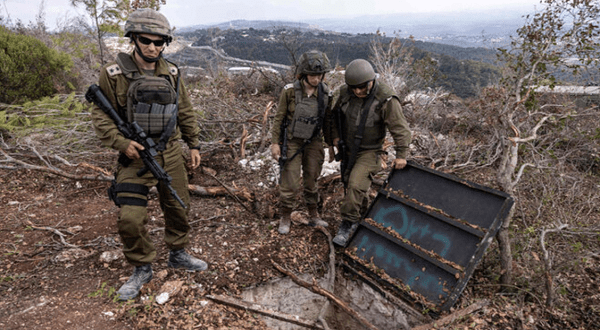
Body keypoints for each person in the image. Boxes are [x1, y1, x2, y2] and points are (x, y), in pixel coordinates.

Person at [91, 8, 207, 301]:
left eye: (159, 42)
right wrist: (121, 143)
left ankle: (178, 253)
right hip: (134, 157)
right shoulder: (113, 74)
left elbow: (184, 110)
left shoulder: (172, 72)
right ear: (133, 38)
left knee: (179, 207)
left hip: (169, 152)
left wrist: (193, 144)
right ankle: (141, 266)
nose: (153, 47)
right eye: (146, 40)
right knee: (130, 218)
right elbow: (101, 116)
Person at [329, 59, 411, 246]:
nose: (358, 92)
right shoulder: (344, 93)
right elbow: (332, 117)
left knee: (355, 185)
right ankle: (365, 217)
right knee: (351, 184)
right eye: (354, 88)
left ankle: (347, 224)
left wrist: (401, 154)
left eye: (362, 87)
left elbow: (401, 129)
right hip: (347, 148)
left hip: (370, 151)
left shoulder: (385, 98)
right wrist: (334, 139)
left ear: (371, 81)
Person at [270, 50, 333, 234]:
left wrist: (331, 146)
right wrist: (275, 143)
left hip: (314, 141)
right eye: (313, 75)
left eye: (320, 75)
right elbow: (279, 118)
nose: (316, 78)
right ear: (304, 73)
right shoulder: (290, 91)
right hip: (292, 141)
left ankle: (313, 214)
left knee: (312, 178)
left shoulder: (326, 93)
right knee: (290, 182)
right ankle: (285, 215)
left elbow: (328, 122)